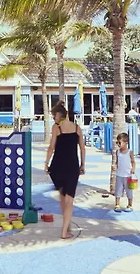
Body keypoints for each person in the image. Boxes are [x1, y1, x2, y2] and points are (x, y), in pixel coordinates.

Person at [45, 100, 86, 240]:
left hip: (57, 167)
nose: (53, 118)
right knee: (69, 200)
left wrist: (46, 163)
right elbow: (82, 148)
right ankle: (65, 230)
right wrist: (83, 165)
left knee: (63, 198)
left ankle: (66, 226)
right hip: (72, 166)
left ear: (59, 115)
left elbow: (52, 147)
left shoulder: (56, 128)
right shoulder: (77, 128)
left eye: (54, 116)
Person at [113, 132, 136, 212]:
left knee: (129, 191)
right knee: (118, 190)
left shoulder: (130, 152)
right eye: (117, 142)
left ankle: (130, 205)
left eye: (120, 142)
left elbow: (133, 162)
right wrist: (115, 166)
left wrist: (133, 169)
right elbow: (117, 161)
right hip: (119, 175)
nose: (118, 144)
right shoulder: (117, 152)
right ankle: (117, 204)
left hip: (128, 175)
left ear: (126, 143)